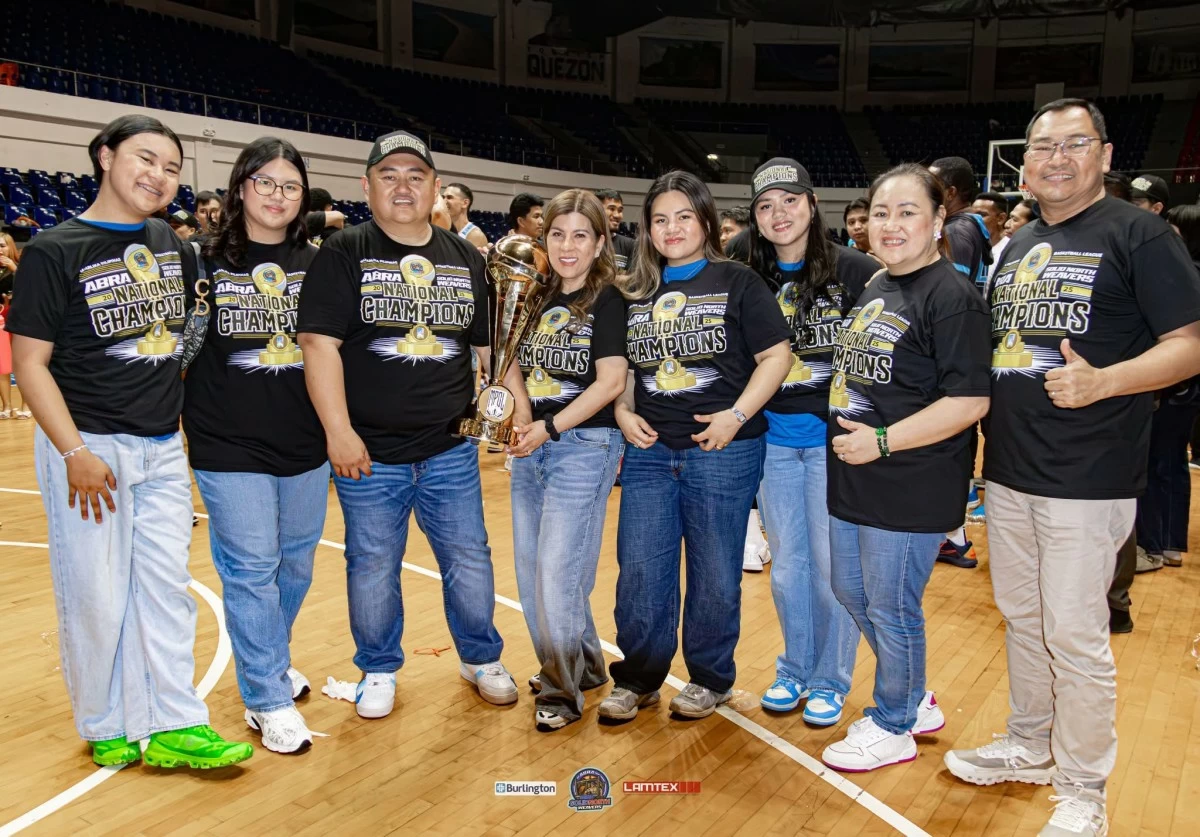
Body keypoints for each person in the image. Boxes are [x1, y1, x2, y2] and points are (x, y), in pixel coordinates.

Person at [945, 98, 1200, 837]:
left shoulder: (1140, 233)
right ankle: (1031, 742)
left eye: (1074, 143)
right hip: (1012, 471)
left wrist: (1105, 381)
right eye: (1043, 146)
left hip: (1088, 476)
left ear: (1105, 155)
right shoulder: (1020, 243)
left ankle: (1084, 786)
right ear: (1023, 162)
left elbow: (1189, 341)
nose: (1056, 158)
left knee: (1076, 633)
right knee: (1024, 618)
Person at [7, 114, 253, 769]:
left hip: (160, 448)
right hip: (87, 445)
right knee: (95, 592)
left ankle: (175, 721)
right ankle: (106, 719)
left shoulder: (170, 243)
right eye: (146, 159)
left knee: (165, 589)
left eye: (172, 168)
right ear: (106, 156)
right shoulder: (55, 249)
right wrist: (73, 453)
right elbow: (30, 363)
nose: (159, 176)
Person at [297, 130, 517, 719]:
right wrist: (338, 431)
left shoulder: (466, 257)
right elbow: (318, 344)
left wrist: (508, 410)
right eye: (388, 174)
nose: (402, 185)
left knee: (470, 558)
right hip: (368, 452)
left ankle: (479, 656)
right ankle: (376, 667)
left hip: (450, 449)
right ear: (366, 186)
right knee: (371, 565)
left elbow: (493, 350)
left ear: (434, 188)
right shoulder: (343, 252)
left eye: (415, 176)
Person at [602, 170, 792, 722]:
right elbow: (626, 373)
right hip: (650, 452)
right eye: (660, 219)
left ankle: (710, 678)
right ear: (646, 230)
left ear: (706, 221)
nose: (672, 228)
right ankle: (637, 679)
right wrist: (621, 412)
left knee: (714, 572)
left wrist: (736, 415)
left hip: (724, 450)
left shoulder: (738, 281)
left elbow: (775, 357)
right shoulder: (632, 292)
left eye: (684, 216)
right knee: (639, 569)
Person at [820, 163, 990, 773]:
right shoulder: (878, 286)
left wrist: (885, 442)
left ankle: (894, 722)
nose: (891, 225)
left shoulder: (953, 297)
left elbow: (970, 401)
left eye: (908, 212)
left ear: (940, 219)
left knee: (892, 605)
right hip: (857, 475)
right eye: (882, 213)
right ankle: (913, 695)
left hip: (908, 480)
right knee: (850, 590)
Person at [182, 137, 328, 754]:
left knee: (294, 564)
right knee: (249, 569)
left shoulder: (321, 263)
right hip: (226, 439)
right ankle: (266, 697)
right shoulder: (199, 261)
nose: (277, 195)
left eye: (290, 186)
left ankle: (267, 656)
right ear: (241, 187)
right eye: (265, 182)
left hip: (305, 439)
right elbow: (181, 349)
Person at [743, 157, 878, 725]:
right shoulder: (748, 276)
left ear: (812, 204)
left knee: (830, 566)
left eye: (790, 201)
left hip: (834, 442)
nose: (779, 214)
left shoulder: (859, 270)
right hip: (773, 440)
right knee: (789, 565)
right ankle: (794, 667)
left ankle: (831, 678)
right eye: (766, 206)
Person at [506, 189, 628, 731]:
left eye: (581, 234)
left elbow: (611, 383)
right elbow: (507, 358)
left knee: (558, 572)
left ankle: (559, 689)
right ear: (543, 237)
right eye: (557, 234)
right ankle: (585, 665)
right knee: (534, 571)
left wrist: (549, 427)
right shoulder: (533, 293)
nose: (567, 245)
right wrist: (526, 422)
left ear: (600, 241)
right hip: (533, 444)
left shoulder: (610, 299)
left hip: (584, 446)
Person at [929, 156, 993, 568]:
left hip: (948, 354)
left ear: (950, 193)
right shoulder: (974, 228)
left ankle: (951, 535)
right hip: (963, 351)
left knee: (940, 446)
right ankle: (950, 532)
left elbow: (941, 295)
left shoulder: (958, 231)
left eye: (933, 186)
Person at [1131, 203, 1200, 572]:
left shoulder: (1179, 274)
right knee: (1171, 462)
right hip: (1179, 386)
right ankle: (1169, 543)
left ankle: (1153, 544)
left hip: (1172, 383)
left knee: (1158, 462)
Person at [0, 231, 30, 419]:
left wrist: (14, 269)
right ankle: (7, 406)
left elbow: (33, 288)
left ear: (10, 247)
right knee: (2, 367)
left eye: (2, 246)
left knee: (23, 365)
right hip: (2, 322)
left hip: (23, 321)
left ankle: (27, 406)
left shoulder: (23, 266)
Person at [595, 187, 636, 272]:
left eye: (620, 210)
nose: (617, 215)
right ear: (596, 210)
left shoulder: (630, 244)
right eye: (611, 209)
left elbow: (632, 281)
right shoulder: (586, 242)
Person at [973, 191, 1009, 280]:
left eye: (981, 215)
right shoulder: (967, 247)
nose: (974, 219)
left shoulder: (1011, 249)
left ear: (1001, 218)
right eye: (971, 215)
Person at [441, 182, 489, 249]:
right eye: (443, 197)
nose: (443, 201)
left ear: (465, 203)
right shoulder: (440, 229)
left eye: (449, 197)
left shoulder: (475, 235)